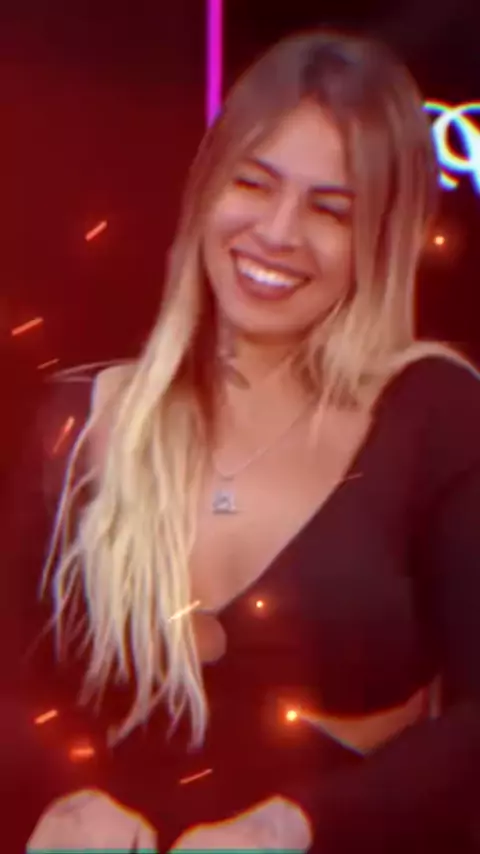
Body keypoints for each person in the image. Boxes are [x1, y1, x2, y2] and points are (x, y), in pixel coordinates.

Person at [12, 27, 480, 854]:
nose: (277, 231)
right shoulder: (77, 419)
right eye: (253, 183)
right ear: (207, 186)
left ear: (383, 237)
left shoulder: (435, 415)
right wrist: (62, 797)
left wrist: (293, 827)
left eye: (330, 211)